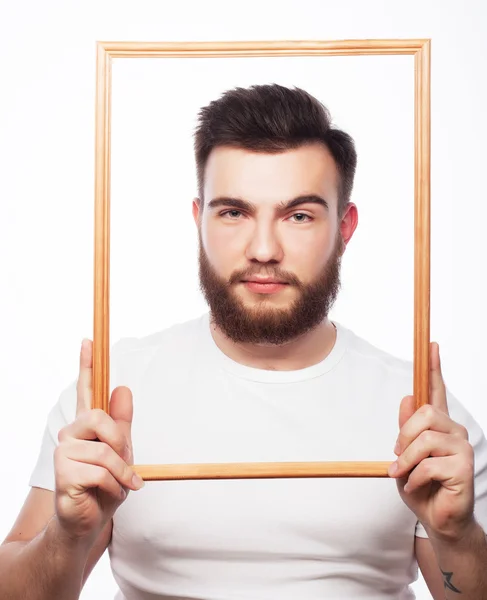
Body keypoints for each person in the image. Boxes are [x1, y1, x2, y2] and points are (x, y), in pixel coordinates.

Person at [1, 83, 487, 600]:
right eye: (233, 212)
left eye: (298, 215)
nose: (263, 249)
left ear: (344, 228)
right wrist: (68, 534)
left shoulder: (423, 417)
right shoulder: (111, 394)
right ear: (199, 220)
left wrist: (455, 536)